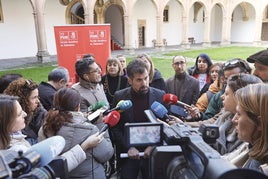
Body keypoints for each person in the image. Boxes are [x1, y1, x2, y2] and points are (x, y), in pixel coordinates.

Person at [0, 94, 105, 172]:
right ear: (5, 121)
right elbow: (49, 169)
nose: (25, 114)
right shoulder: (15, 151)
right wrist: (84, 147)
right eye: (19, 114)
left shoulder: (16, 137)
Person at [39, 88, 114, 178]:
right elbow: (107, 154)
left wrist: (84, 119)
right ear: (78, 106)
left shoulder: (45, 127)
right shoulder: (90, 130)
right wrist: (101, 125)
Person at [111, 59, 166, 179]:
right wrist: (128, 147)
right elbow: (115, 127)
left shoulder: (160, 95)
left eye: (146, 78)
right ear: (130, 80)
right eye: (139, 80)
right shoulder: (119, 97)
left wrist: (153, 146)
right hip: (128, 155)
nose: (144, 83)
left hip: (153, 154)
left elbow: (165, 125)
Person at [233, 83, 268, 174]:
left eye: (239, 114)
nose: (234, 120)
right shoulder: (255, 151)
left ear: (259, 123)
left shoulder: (261, 171)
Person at [4, 78, 47, 145]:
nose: (38, 101)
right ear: (23, 100)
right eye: (34, 97)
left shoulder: (38, 110)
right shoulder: (13, 120)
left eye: (38, 97)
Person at [165, 55, 199, 119]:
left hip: (187, 118)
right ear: (173, 66)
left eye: (182, 63)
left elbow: (195, 104)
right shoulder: (167, 82)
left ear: (186, 64)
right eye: (177, 63)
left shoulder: (195, 83)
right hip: (171, 118)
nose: (180, 66)